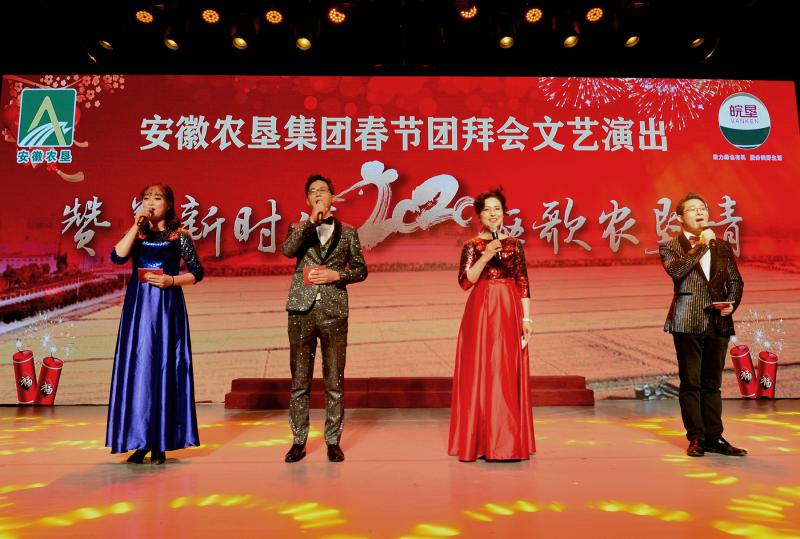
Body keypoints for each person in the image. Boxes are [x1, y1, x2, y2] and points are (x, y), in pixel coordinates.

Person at [106, 183, 204, 464]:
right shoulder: (137, 233)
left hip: (166, 307)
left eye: (157, 198)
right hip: (138, 308)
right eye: (146, 198)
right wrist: (135, 225)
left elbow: (197, 272)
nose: (150, 202)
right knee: (139, 368)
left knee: (163, 367)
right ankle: (140, 440)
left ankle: (161, 442)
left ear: (169, 204)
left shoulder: (179, 235)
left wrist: (172, 280)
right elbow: (117, 257)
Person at [282, 174, 368, 463]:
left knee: (334, 380)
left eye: (323, 190)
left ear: (333, 196)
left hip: (334, 311)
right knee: (300, 380)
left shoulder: (349, 232)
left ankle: (333, 440)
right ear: (307, 199)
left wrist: (336, 275)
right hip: (301, 310)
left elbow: (360, 270)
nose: (318, 194)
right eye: (313, 191)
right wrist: (310, 222)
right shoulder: (298, 227)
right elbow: (288, 250)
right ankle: (298, 441)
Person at [448, 188, 535, 462]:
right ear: (480, 215)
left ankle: (507, 440)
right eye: (487, 210)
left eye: (497, 209)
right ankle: (481, 440)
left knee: (505, 369)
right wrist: (485, 255)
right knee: (482, 370)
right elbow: (465, 282)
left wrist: (527, 318)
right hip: (481, 310)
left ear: (504, 213)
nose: (493, 214)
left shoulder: (514, 244)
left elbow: (523, 282)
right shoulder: (472, 245)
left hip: (508, 308)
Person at [660, 192, 746, 457]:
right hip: (687, 320)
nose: (700, 213)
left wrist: (732, 303)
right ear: (679, 218)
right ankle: (696, 438)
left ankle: (714, 437)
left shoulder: (722, 246)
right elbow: (677, 271)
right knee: (691, 382)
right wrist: (701, 245)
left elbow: (735, 280)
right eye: (693, 209)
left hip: (718, 321)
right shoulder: (670, 246)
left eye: (703, 208)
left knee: (712, 383)